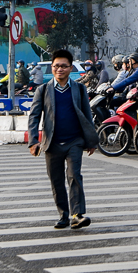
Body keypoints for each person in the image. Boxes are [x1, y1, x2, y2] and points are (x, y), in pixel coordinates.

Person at [27, 49, 99, 230]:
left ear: (70, 68)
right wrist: (33, 140)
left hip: (74, 141)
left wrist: (91, 141)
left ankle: (77, 215)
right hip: (51, 143)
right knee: (56, 180)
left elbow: (87, 116)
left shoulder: (79, 89)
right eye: (56, 66)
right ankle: (63, 215)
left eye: (64, 66)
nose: (60, 69)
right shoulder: (42, 90)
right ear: (51, 68)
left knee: (74, 175)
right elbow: (34, 116)